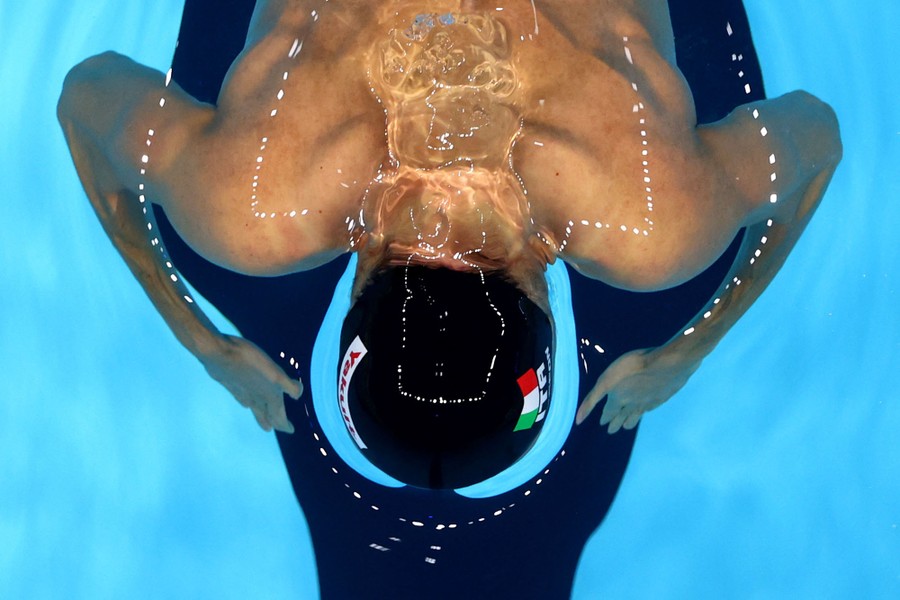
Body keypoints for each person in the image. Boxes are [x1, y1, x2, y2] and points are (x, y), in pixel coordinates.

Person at [58, 0, 841, 596]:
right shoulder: (252, 205)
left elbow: (812, 140)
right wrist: (199, 338)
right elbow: (87, 99)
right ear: (357, 278)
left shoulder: (651, 221)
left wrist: (692, 346)